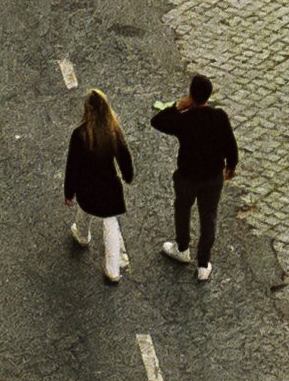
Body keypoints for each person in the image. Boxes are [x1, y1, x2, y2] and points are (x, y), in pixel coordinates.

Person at [151, 74, 238, 283]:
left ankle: (182, 248)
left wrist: (178, 106)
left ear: (191, 95)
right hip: (212, 178)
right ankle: (203, 264)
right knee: (208, 218)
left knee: (182, 209)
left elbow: (157, 121)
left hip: (188, 177)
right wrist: (231, 166)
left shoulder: (184, 120)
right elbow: (230, 145)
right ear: (209, 95)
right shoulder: (220, 117)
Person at [63, 89, 134, 284]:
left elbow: (73, 166)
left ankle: (82, 234)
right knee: (110, 224)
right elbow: (124, 157)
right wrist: (128, 176)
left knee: (84, 210)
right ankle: (112, 270)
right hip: (109, 188)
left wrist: (69, 192)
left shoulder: (80, 134)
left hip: (87, 187)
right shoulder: (113, 130)